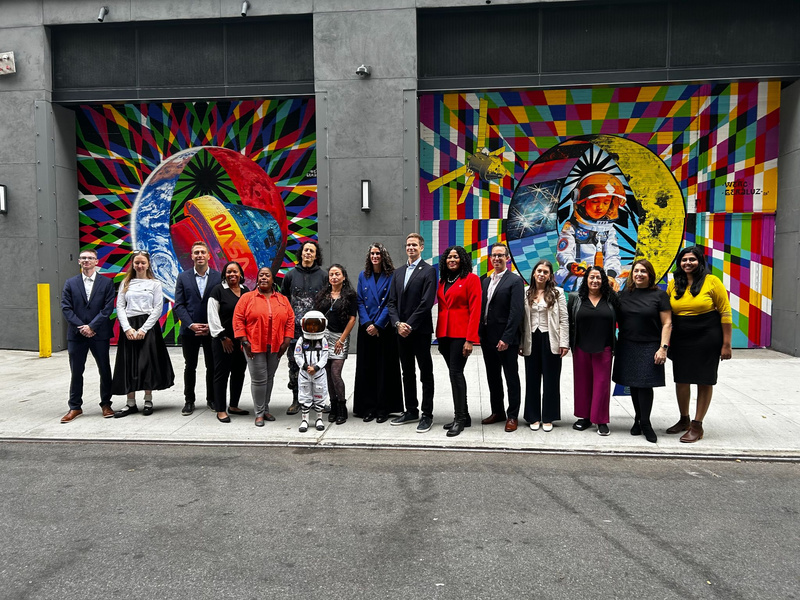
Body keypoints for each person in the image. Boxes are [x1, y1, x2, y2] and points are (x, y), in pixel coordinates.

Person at [665, 246, 732, 443]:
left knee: (704, 380)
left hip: (707, 336)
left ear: (700, 261)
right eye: (684, 260)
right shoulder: (674, 283)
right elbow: (666, 311)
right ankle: (684, 419)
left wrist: (726, 344)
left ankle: (697, 425)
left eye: (692, 259)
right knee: (682, 379)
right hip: (682, 337)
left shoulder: (712, 282)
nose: (687, 263)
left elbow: (726, 313)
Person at [611, 259, 672, 443]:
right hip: (627, 344)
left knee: (645, 385)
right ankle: (638, 419)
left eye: (643, 271)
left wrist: (663, 348)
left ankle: (645, 422)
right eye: (636, 271)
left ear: (650, 275)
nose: (639, 274)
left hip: (650, 345)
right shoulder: (623, 295)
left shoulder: (659, 296)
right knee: (634, 385)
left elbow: (667, 323)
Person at [111, 250, 175, 416]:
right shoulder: (126, 282)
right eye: (137, 263)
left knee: (147, 363)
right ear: (132, 264)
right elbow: (120, 306)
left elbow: (157, 308)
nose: (139, 265)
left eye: (143, 263)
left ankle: (148, 400)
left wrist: (143, 329)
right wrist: (127, 328)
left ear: (148, 265)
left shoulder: (155, 284)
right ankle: (130, 403)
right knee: (128, 364)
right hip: (129, 327)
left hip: (147, 327)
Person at [387, 233, 437, 433]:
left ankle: (427, 414)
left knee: (426, 373)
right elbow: (391, 302)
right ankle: (411, 410)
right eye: (408, 245)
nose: (411, 248)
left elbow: (427, 302)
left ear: (421, 247)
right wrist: (398, 324)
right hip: (401, 331)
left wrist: (409, 325)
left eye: (414, 245)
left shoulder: (429, 271)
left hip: (420, 331)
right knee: (407, 372)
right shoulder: (398, 273)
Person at [60, 248, 116, 423]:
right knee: (76, 371)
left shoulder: (106, 283)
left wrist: (92, 326)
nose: (86, 261)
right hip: (77, 335)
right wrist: (81, 327)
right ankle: (75, 407)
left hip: (99, 334)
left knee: (104, 370)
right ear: (79, 261)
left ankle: (106, 404)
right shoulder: (70, 283)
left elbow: (107, 308)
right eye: (83, 258)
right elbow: (66, 308)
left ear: (96, 261)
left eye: (90, 258)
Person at [233, 266, 294, 427]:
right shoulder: (247, 298)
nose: (264, 278)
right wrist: (244, 341)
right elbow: (238, 320)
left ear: (273, 280)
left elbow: (290, 320)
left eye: (267, 275)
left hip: (276, 346)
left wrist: (287, 341)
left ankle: (265, 408)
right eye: (261, 275)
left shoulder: (282, 299)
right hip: (254, 345)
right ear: (257, 279)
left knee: (269, 378)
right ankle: (259, 413)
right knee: (259, 380)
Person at [352, 243, 403, 423]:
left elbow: (391, 302)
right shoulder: (362, 275)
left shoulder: (392, 276)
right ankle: (368, 408)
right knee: (367, 369)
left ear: (384, 256)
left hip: (384, 329)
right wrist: (367, 323)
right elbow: (359, 301)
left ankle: (383, 409)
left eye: (378, 253)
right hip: (366, 329)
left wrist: (378, 325)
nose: (375, 256)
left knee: (384, 370)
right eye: (372, 253)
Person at [436, 245, 481, 437]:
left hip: (461, 335)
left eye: (455, 257)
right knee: (454, 373)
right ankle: (466, 415)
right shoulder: (443, 280)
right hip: (444, 335)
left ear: (462, 259)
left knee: (456, 374)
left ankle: (460, 418)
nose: (451, 260)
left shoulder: (471, 279)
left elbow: (475, 310)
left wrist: (470, 339)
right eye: (448, 257)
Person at [479, 243, 525, 432]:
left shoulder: (514, 281)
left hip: (506, 340)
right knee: (493, 377)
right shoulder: (485, 281)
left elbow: (516, 312)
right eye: (494, 255)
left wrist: (506, 338)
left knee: (511, 377)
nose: (496, 258)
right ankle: (497, 411)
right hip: (487, 338)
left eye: (500, 255)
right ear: (490, 258)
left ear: (507, 258)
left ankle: (512, 415)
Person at [567, 266, 618, 435]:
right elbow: (568, 322)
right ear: (586, 280)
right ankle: (584, 417)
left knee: (602, 385)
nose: (595, 281)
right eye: (591, 277)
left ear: (603, 280)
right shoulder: (576, 298)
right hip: (581, 347)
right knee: (582, 384)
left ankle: (601, 420)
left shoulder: (611, 299)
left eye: (598, 277)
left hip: (604, 348)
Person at [556, 172, 627, 291]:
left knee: (628, 277)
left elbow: (612, 256)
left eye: (606, 202)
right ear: (582, 202)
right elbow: (564, 253)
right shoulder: (571, 227)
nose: (600, 207)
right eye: (595, 201)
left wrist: (610, 276)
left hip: (602, 275)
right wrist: (572, 265)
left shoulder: (609, 229)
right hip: (579, 274)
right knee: (572, 281)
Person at [520, 259, 569, 433]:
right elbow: (521, 320)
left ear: (550, 276)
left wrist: (564, 343)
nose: (541, 274)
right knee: (531, 379)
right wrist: (520, 342)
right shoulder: (525, 292)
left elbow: (564, 319)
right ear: (534, 273)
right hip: (531, 338)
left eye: (545, 272)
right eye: (539, 271)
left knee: (551, 380)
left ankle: (548, 416)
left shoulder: (558, 293)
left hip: (551, 339)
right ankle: (533, 416)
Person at [173, 241, 221, 416]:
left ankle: (212, 399)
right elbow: (179, 305)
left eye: (202, 252)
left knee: (212, 366)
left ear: (208, 255)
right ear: (192, 256)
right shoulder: (183, 277)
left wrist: (212, 325)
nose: (200, 255)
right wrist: (191, 325)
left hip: (211, 330)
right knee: (190, 366)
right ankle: (189, 401)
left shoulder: (218, 277)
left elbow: (220, 303)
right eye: (196, 253)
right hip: (189, 331)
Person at [281, 240, 328, 415]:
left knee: (320, 365)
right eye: (306, 250)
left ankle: (321, 400)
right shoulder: (290, 275)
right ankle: (297, 400)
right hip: (294, 331)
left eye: (312, 251)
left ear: (316, 255)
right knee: (295, 365)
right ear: (301, 253)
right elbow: (284, 302)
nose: (308, 253)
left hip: (318, 332)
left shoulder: (323, 276)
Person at [208, 261, 250, 423]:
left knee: (239, 372)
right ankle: (220, 409)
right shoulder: (218, 291)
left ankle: (233, 405)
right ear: (224, 274)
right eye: (228, 272)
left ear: (241, 274)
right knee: (221, 374)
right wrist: (222, 337)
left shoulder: (246, 291)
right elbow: (212, 316)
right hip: (223, 341)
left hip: (241, 341)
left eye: (235, 272)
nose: (232, 274)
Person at [315, 264, 357, 424]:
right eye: (331, 274)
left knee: (335, 373)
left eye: (337, 274)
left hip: (340, 337)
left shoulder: (351, 295)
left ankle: (342, 407)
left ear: (343, 277)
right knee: (326, 373)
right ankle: (333, 406)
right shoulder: (322, 295)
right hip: (323, 337)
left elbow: (352, 319)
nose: (334, 277)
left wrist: (341, 339)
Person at [293, 310, 329, 432]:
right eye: (309, 325)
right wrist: (305, 367)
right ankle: (305, 420)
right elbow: (297, 355)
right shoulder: (302, 340)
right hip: (305, 374)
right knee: (304, 396)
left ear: (321, 325)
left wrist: (316, 368)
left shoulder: (323, 340)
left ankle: (319, 419)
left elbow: (325, 356)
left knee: (319, 395)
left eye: (315, 325)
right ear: (304, 325)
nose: (312, 328)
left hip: (318, 374)